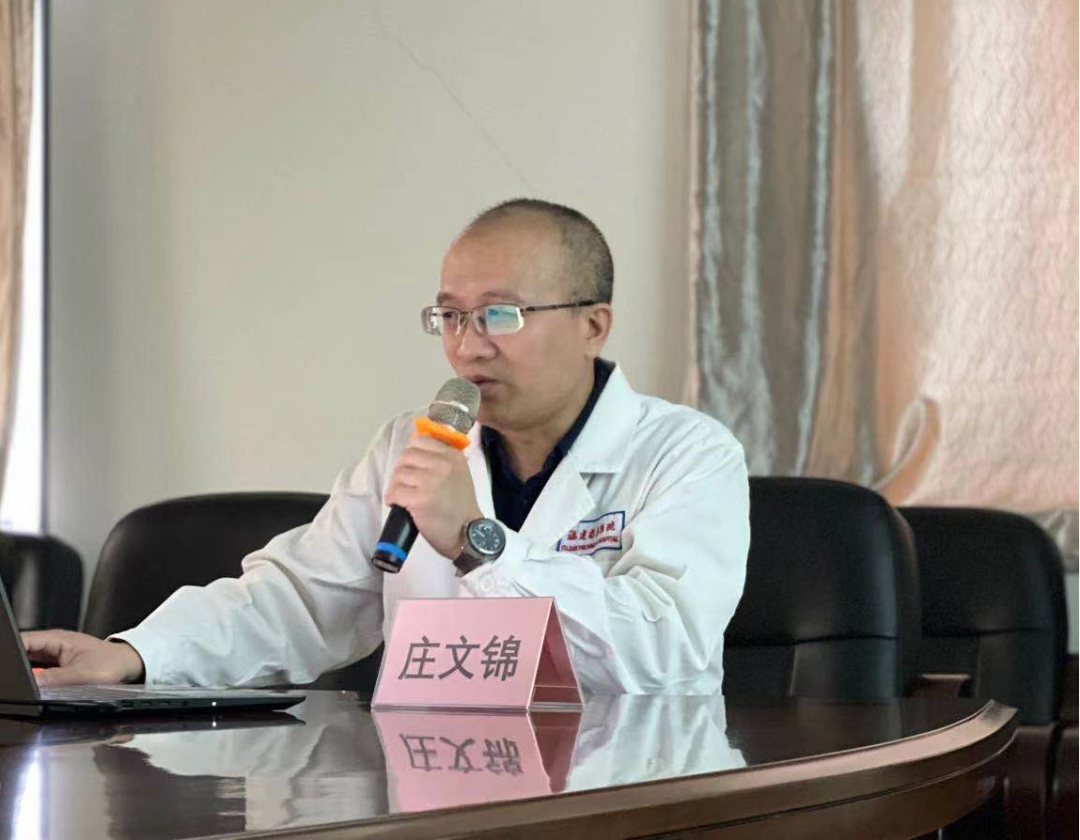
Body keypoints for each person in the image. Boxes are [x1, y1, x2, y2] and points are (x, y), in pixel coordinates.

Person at [23, 199, 750, 695]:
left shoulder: (686, 454)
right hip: (437, 788)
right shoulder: (415, 442)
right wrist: (134, 653)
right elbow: (300, 601)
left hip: (622, 794)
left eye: (500, 315)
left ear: (594, 325)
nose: (468, 345)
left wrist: (477, 542)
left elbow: (661, 650)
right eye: (450, 316)